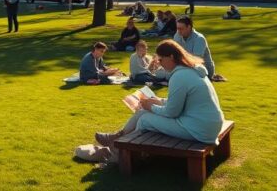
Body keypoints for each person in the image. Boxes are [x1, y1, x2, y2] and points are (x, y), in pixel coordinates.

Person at [93, 40, 225, 163]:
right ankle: (117, 139)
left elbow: (172, 112)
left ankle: (121, 155)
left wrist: (153, 107)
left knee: (145, 120)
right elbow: (181, 102)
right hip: (207, 124)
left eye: (161, 59)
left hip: (199, 130)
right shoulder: (192, 70)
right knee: (143, 112)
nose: (160, 63)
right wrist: (157, 101)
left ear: (171, 57)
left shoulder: (180, 76)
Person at [174, 16, 224, 82]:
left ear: (189, 27)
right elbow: (174, 53)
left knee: (173, 73)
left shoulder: (199, 39)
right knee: (163, 69)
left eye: (181, 29)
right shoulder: (177, 35)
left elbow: (196, 61)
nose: (179, 31)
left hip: (202, 69)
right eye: (178, 29)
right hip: (186, 65)